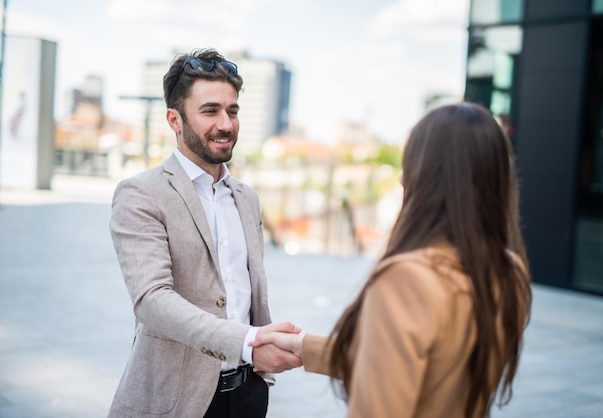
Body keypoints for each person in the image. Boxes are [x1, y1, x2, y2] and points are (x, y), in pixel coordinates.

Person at [252, 102, 533, 418]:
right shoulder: (510, 269)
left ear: (423, 175)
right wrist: (306, 347)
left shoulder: (408, 277)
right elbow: (425, 363)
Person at [107, 48, 301, 418]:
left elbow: (243, 292)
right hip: (177, 400)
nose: (225, 124)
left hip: (248, 394)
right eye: (210, 111)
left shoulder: (247, 198)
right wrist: (249, 342)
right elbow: (151, 300)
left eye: (232, 110)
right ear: (174, 120)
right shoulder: (141, 193)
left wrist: (264, 347)